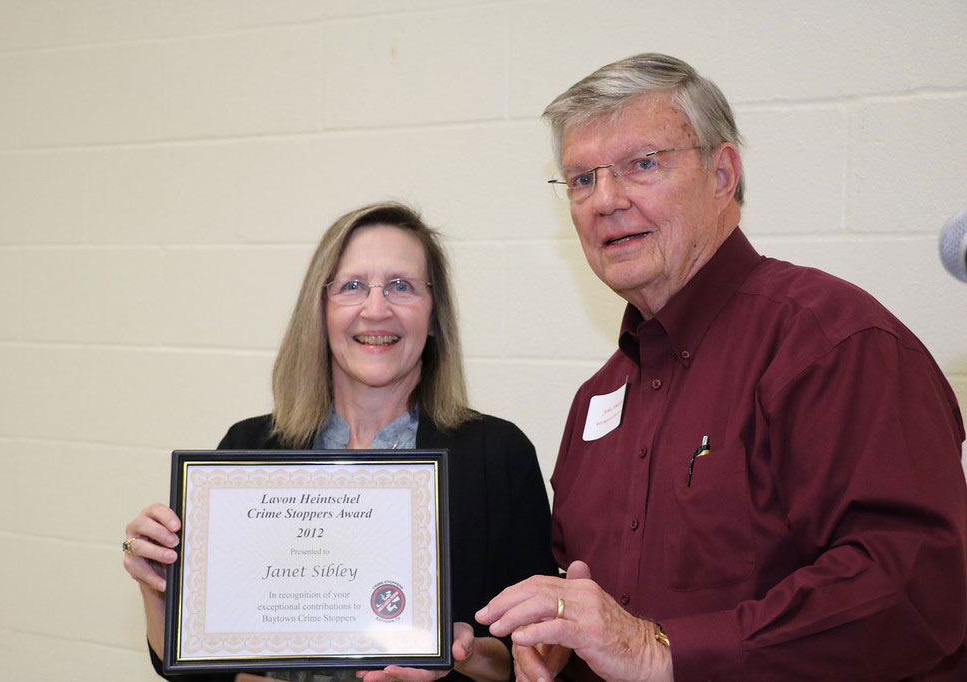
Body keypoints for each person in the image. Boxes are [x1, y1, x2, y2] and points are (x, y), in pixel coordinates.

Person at [475, 53, 967, 681]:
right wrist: (547, 645)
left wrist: (658, 650)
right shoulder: (594, 400)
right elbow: (601, 626)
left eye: (642, 164)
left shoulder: (830, 340)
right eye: (580, 179)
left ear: (722, 173)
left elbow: (914, 588)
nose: (604, 199)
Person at [123, 201, 557, 682]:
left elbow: (534, 662)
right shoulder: (248, 452)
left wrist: (466, 656)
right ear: (322, 310)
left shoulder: (497, 456)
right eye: (352, 286)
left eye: (402, 286)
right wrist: (157, 585)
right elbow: (189, 669)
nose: (377, 309)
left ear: (434, 316)